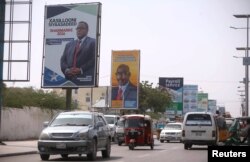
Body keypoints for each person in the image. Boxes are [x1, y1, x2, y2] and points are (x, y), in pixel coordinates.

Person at [60, 21, 96, 85]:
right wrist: (67, 70)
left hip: (85, 78)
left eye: (82, 28)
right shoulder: (69, 44)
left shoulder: (93, 42)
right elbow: (63, 60)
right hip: (69, 79)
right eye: (77, 28)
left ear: (87, 30)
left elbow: (93, 59)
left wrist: (81, 69)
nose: (79, 30)